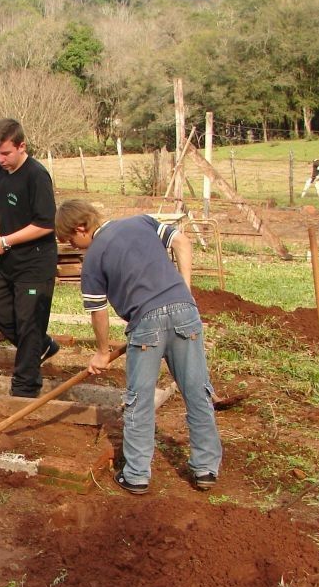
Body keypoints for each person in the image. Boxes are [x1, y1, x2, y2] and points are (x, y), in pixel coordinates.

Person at [54, 200, 223, 495]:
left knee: (139, 400)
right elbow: (182, 241)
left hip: (147, 324)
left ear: (81, 228)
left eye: (70, 240)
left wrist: (103, 351)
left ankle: (136, 475)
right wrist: (184, 288)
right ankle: (206, 468)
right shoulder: (141, 222)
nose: (73, 246)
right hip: (185, 313)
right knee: (197, 391)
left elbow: (99, 311)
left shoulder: (93, 258)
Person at [0, 118, 60, 398]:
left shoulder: (37, 176)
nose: (0, 159)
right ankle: (40, 346)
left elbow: (46, 224)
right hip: (8, 257)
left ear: (22, 146)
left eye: (6, 153)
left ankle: (24, 388)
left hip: (35, 262)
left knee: (29, 323)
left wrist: (5, 241)